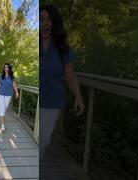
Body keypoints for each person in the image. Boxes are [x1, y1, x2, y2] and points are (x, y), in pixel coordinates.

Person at [40, 5, 85, 158]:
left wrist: (78, 96)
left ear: (54, 24)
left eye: (48, 20)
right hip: (37, 98)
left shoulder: (63, 49)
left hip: (52, 102)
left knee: (44, 141)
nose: (44, 23)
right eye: (41, 19)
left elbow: (70, 75)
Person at [0, 63, 19, 133]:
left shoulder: (12, 77)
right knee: (2, 109)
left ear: (9, 69)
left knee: (4, 109)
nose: (6, 69)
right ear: (4, 68)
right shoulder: (0, 76)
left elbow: (14, 85)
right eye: (5, 67)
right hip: (0, 94)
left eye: (7, 67)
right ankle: (3, 126)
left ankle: (2, 120)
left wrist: (16, 92)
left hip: (8, 95)